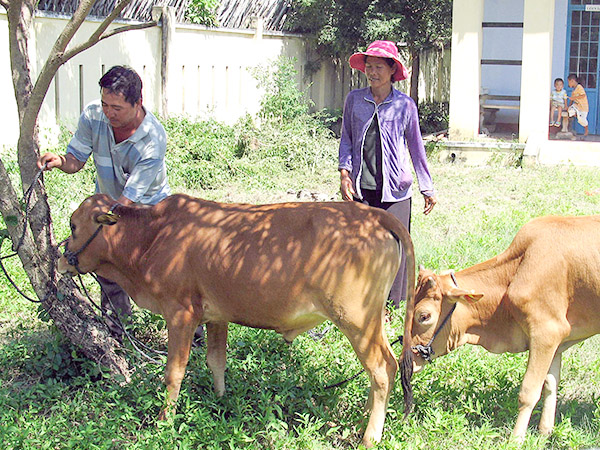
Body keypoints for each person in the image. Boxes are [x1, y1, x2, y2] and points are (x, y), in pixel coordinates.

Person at [37, 65, 203, 344]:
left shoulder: (152, 138)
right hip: (111, 209)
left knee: (168, 275)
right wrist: (61, 162)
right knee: (106, 265)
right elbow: (76, 159)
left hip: (148, 211)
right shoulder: (93, 116)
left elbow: (127, 203)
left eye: (116, 107)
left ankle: (193, 335)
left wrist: (99, 229)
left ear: (137, 103)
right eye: (104, 104)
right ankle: (117, 332)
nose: (108, 112)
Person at [338, 40, 437, 307]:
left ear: (392, 70)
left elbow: (416, 147)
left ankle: (392, 306)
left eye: (379, 67)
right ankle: (360, 301)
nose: (372, 72)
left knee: (397, 247)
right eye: (369, 66)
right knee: (359, 244)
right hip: (362, 186)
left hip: (396, 190)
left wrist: (426, 187)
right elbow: (346, 138)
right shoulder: (355, 100)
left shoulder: (404, 105)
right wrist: (344, 173)